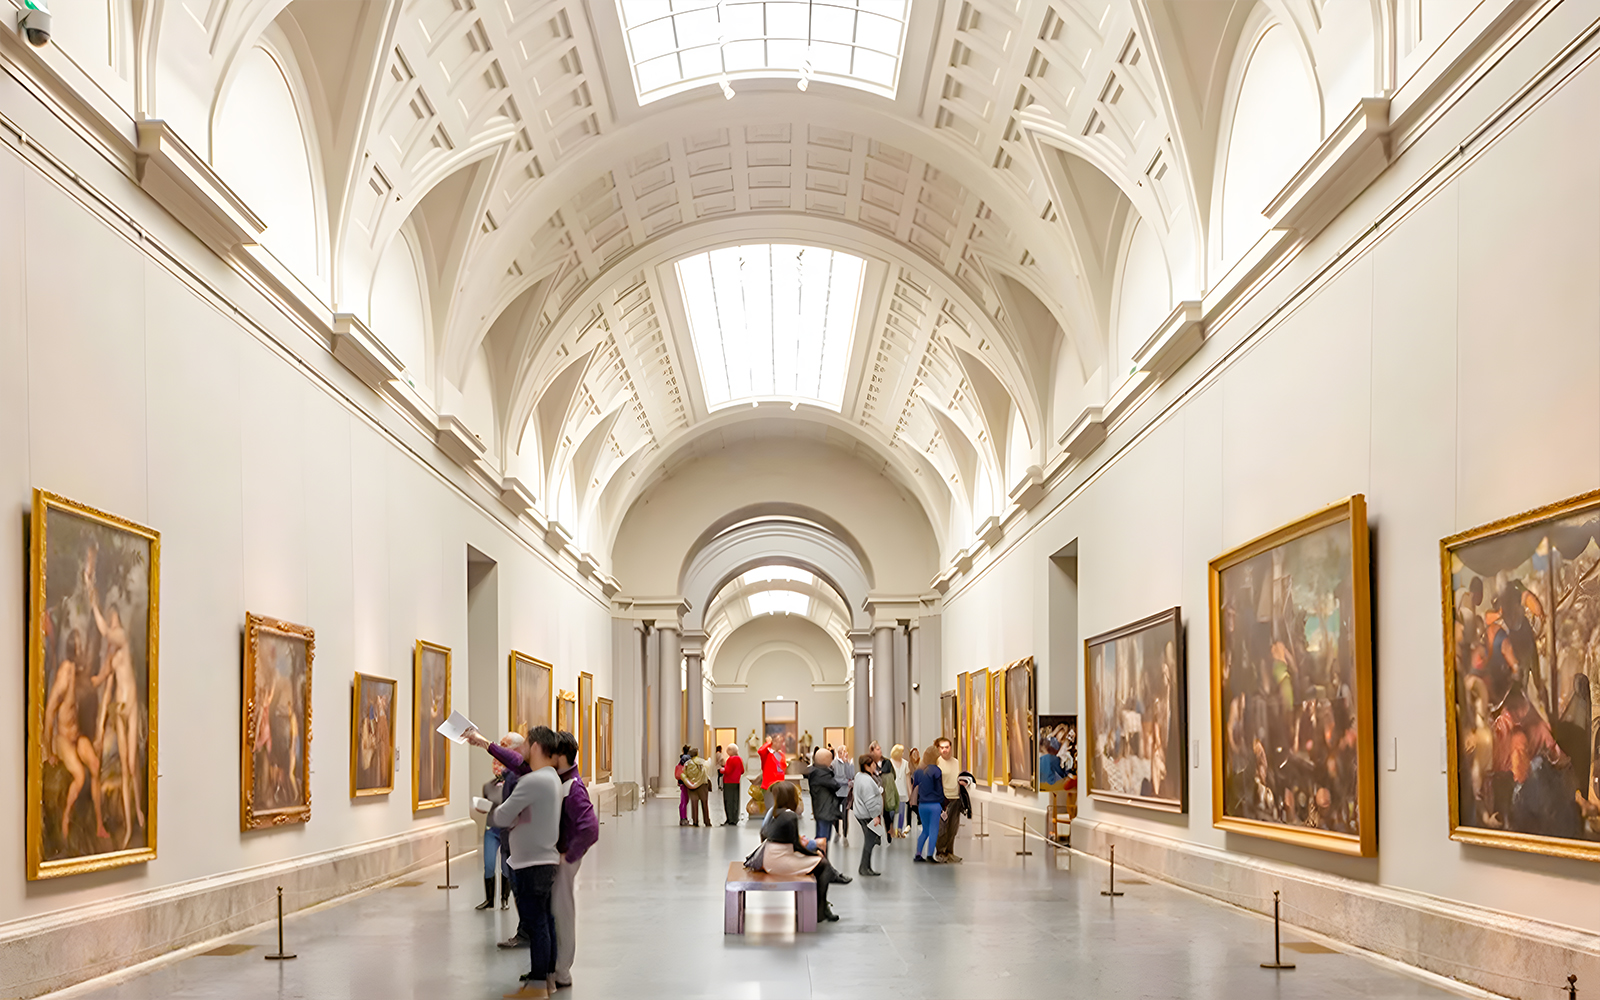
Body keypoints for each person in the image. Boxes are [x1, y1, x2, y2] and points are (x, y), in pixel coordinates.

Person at [490, 726, 564, 993]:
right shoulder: (551, 777)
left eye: (524, 745)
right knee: (545, 920)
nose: (520, 752)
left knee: (536, 923)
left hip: (532, 862)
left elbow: (501, 816)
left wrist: (499, 812)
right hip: (543, 858)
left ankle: (537, 987)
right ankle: (546, 979)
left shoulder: (533, 781)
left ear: (534, 746)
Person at [755, 780, 849, 923]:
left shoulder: (774, 812)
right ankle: (821, 908)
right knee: (823, 865)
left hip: (770, 857)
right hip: (779, 861)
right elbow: (797, 845)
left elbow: (768, 835)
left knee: (819, 863)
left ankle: (824, 904)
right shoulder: (789, 815)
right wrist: (814, 855)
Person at [552, 730, 598, 990]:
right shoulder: (564, 781)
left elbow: (590, 828)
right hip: (562, 855)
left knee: (563, 911)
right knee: (558, 910)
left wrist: (569, 855)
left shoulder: (573, 786)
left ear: (560, 755)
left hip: (565, 858)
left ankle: (562, 970)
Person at [475, 732, 525, 911]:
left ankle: (504, 899)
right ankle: (489, 900)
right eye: (494, 763)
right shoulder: (488, 786)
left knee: (505, 866)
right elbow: (487, 805)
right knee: (489, 865)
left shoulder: (514, 782)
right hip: (491, 829)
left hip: (506, 830)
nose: (496, 767)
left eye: (499, 763)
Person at [911, 746, 947, 862]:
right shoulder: (936, 771)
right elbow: (939, 789)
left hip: (922, 805)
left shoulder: (918, 772)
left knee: (925, 830)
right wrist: (943, 805)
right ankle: (930, 855)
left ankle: (918, 854)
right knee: (933, 831)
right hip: (934, 804)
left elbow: (915, 786)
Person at [934, 737, 965, 863]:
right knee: (942, 828)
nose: (945, 750)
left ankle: (949, 852)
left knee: (953, 827)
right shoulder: (936, 762)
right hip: (943, 799)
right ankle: (940, 852)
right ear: (938, 749)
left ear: (951, 748)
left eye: (947, 747)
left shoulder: (957, 762)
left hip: (955, 798)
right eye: (942, 748)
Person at [852, 757, 884, 876]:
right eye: (873, 764)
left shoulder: (859, 776)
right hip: (867, 815)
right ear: (866, 766)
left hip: (861, 813)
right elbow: (869, 800)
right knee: (869, 841)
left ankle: (866, 867)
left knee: (869, 840)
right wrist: (875, 816)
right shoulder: (866, 781)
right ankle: (864, 868)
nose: (875, 766)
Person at [806, 748, 842, 842]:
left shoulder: (815, 771)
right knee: (823, 839)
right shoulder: (822, 775)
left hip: (821, 810)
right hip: (825, 811)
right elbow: (836, 785)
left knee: (822, 837)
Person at [682, 748, 712, 827]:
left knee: (694, 803)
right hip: (703, 785)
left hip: (692, 785)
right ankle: (707, 821)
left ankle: (695, 821)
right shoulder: (702, 762)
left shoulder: (687, 763)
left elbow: (684, 773)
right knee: (704, 803)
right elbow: (708, 767)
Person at [887, 745, 909, 839]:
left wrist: (910, 793)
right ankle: (891, 829)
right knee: (892, 812)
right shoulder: (889, 763)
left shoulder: (905, 763)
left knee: (901, 813)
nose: (903, 753)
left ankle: (899, 830)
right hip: (892, 792)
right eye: (902, 752)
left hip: (903, 791)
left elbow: (907, 779)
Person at [721, 744, 745, 824]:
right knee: (735, 800)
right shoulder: (739, 759)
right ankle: (735, 818)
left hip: (728, 782)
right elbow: (742, 771)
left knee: (728, 801)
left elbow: (727, 771)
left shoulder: (730, 759)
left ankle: (730, 818)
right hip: (736, 782)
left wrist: (721, 770)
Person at [675, 746, 691, 826]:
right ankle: (684, 818)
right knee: (685, 800)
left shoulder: (681, 759)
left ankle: (683, 817)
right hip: (686, 781)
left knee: (683, 800)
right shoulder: (688, 759)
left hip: (681, 781)